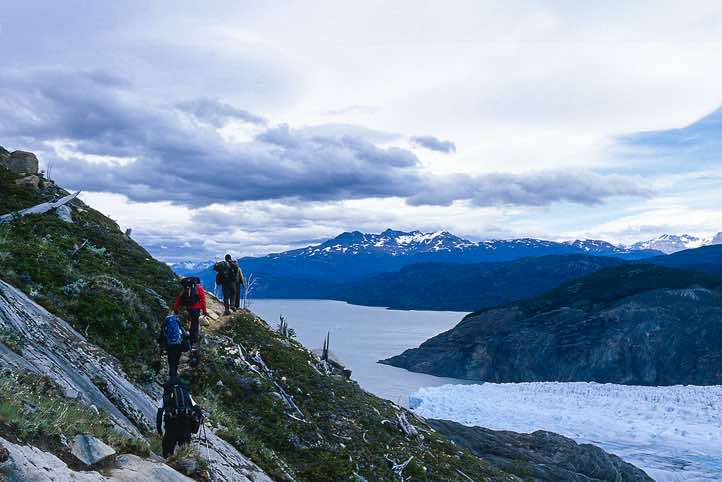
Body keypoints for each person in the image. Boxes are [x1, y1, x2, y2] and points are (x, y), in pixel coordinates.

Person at [156, 378, 203, 458]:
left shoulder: (165, 397)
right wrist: (200, 418)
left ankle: (167, 461)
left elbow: (159, 414)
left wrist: (159, 430)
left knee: (167, 449)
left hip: (172, 424)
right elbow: (197, 408)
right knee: (184, 450)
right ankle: (183, 466)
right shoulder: (186, 395)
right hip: (186, 424)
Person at [172, 277, 208, 347]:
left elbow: (179, 299)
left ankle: (189, 337)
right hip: (196, 308)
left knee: (192, 322)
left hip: (188, 308)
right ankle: (193, 340)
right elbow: (203, 301)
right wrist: (204, 311)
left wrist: (175, 308)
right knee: (195, 323)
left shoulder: (185, 289)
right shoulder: (199, 288)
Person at [157, 314, 191, 379]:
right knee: (176, 361)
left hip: (170, 345)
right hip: (179, 345)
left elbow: (162, 335)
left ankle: (172, 377)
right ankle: (174, 377)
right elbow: (185, 335)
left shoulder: (166, 323)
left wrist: (162, 345)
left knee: (171, 362)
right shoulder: (178, 322)